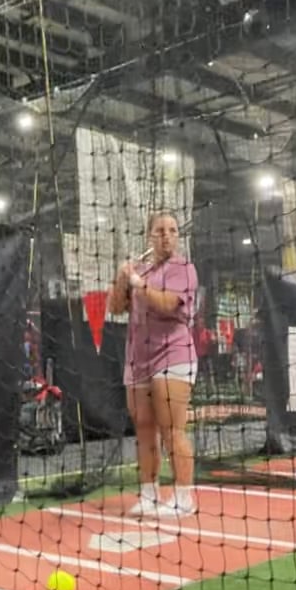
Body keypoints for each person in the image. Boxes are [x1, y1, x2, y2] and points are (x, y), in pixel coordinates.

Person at [109, 212, 200, 518]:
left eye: (172, 230)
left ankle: (184, 498)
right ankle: (149, 494)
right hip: (138, 358)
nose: (167, 236)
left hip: (173, 353)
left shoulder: (183, 268)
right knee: (145, 428)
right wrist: (122, 279)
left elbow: (166, 304)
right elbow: (115, 307)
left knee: (172, 428)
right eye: (160, 231)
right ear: (150, 235)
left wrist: (138, 283)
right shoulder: (142, 269)